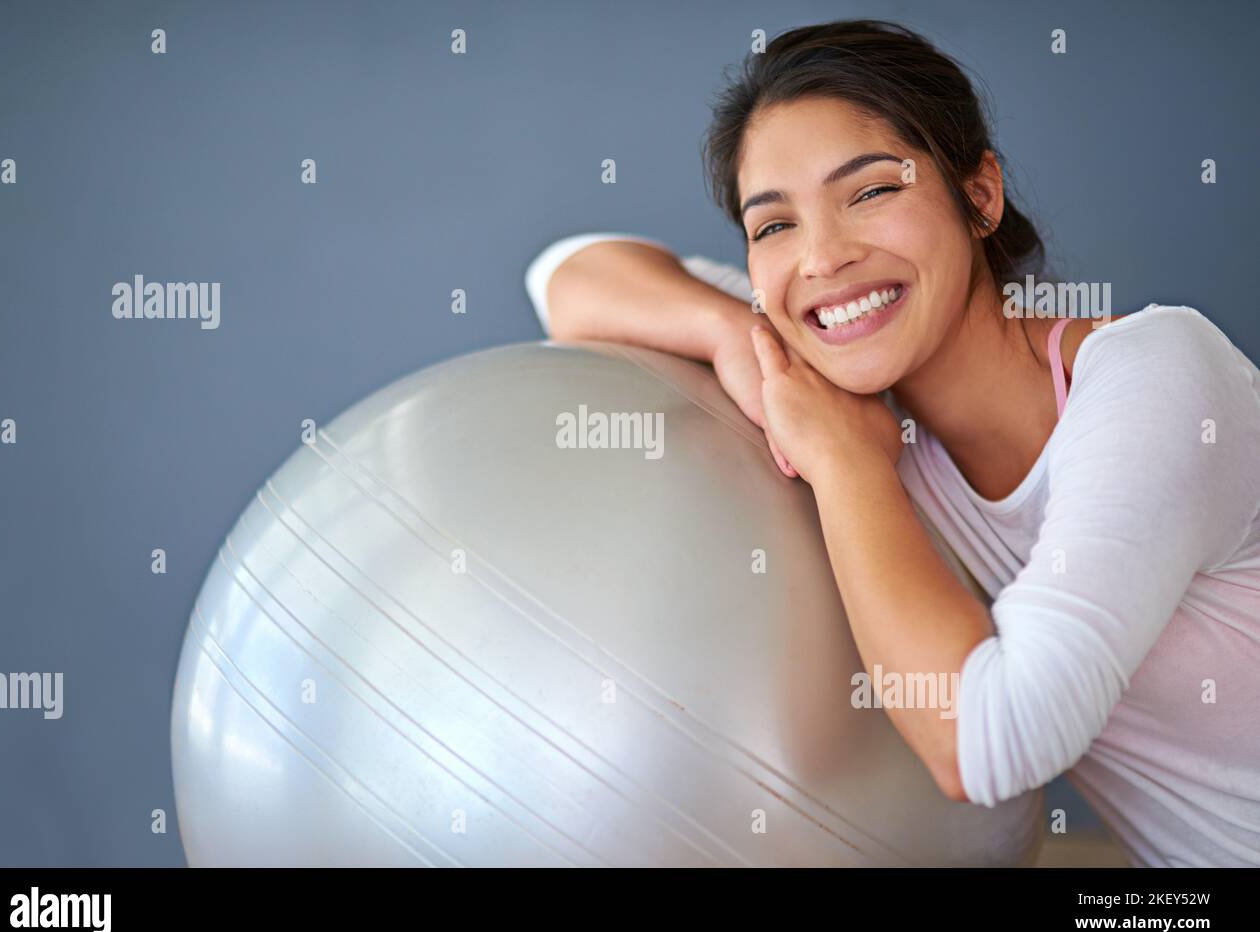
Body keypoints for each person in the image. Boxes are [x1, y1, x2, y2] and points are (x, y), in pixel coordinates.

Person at [523, 20, 1260, 867]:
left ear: (979, 196)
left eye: (870, 191)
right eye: (774, 226)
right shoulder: (838, 362)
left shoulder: (1159, 374)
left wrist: (845, 464)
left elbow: (989, 741)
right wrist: (730, 332)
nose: (825, 258)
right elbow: (566, 274)